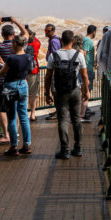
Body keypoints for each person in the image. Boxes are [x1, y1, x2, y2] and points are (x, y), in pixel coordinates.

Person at [45, 30, 89, 160]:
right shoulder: (79, 55)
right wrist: (86, 91)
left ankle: (65, 150)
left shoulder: (54, 56)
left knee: (63, 120)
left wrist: (47, 93)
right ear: (73, 40)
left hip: (60, 92)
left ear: (60, 40)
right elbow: (84, 76)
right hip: (75, 90)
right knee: (76, 119)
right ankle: (78, 148)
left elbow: (48, 77)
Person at [0, 33, 33, 156]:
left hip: (11, 87)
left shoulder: (11, 58)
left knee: (11, 117)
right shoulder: (28, 57)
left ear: (15, 44)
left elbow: (1, 73)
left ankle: (13, 146)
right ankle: (26, 145)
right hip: (23, 85)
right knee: (23, 116)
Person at [0, 16, 28, 144]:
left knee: (1, 110)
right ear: (13, 35)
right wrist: (16, 21)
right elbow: (26, 34)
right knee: (18, 110)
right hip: (21, 82)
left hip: (5, 84)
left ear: (3, 34)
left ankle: (6, 134)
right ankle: (16, 133)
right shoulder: (20, 47)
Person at [24, 25, 41, 122]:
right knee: (33, 94)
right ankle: (33, 114)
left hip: (22, 71)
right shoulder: (36, 43)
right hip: (33, 71)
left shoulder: (21, 43)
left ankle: (24, 113)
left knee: (23, 95)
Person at [82, 25, 96, 119]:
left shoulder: (85, 39)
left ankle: (85, 109)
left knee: (85, 90)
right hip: (88, 69)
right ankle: (84, 111)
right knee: (87, 90)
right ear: (94, 32)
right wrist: (85, 67)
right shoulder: (87, 40)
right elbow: (84, 53)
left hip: (88, 68)